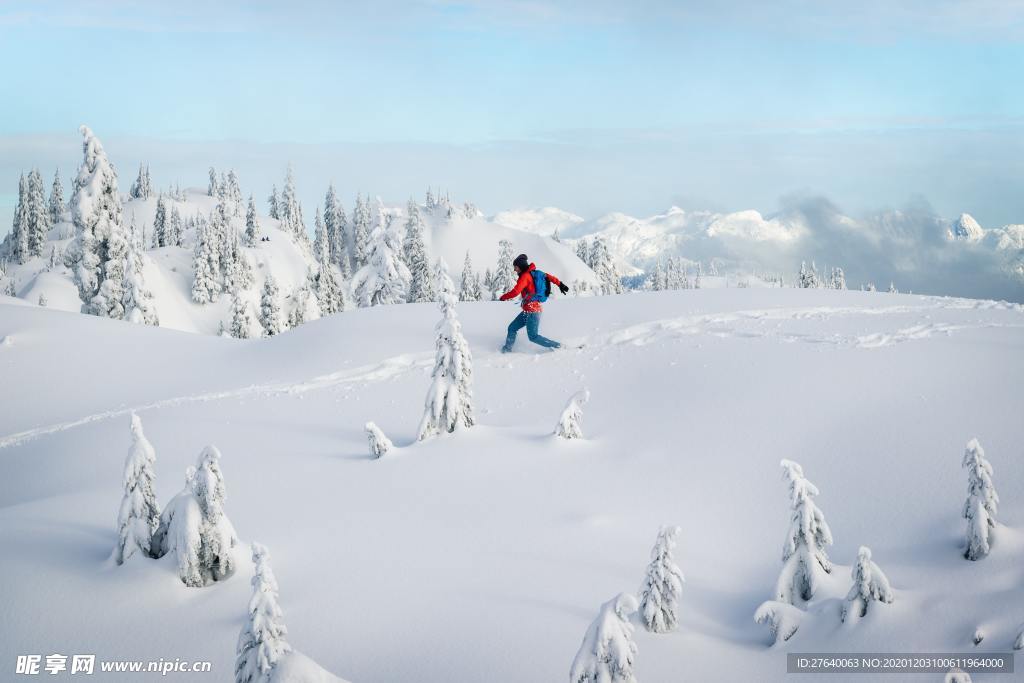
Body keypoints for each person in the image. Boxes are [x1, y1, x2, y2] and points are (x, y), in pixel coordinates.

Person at [499, 253, 569, 352]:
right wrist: (560, 284)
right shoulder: (534, 273)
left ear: (521, 266)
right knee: (512, 328)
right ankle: (506, 350)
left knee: (533, 336)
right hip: (528, 310)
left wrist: (503, 297)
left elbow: (515, 292)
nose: (515, 270)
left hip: (533, 310)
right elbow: (550, 277)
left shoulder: (525, 276)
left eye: (516, 267)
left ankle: (559, 347)